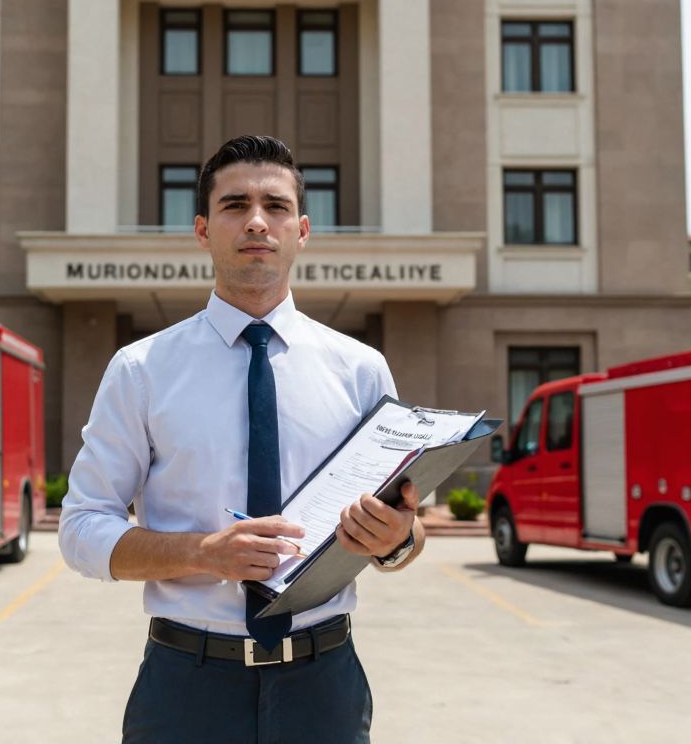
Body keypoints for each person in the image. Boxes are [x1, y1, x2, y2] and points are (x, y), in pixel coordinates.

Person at [59, 135, 425, 743]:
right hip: (186, 687)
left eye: (275, 206)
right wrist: (201, 553)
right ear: (202, 229)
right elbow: (80, 528)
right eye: (235, 205)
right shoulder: (142, 369)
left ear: (302, 230)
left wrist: (395, 542)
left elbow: (407, 531)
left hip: (323, 687)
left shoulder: (361, 370)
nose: (257, 221)